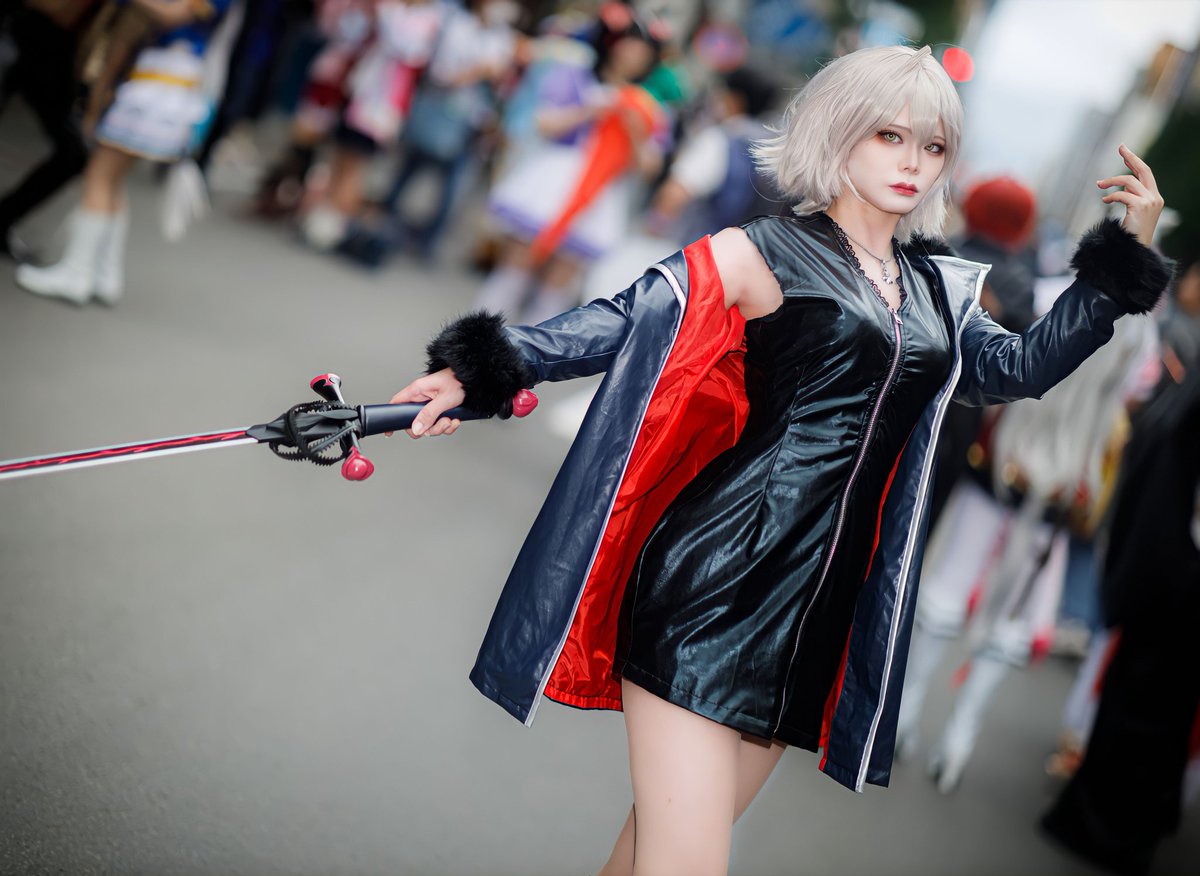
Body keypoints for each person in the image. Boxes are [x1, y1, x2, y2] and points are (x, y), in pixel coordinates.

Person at [390, 45, 1169, 875]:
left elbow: (1020, 368)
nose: (913, 162)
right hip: (710, 588)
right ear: (837, 131)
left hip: (813, 621)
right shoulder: (759, 251)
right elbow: (614, 324)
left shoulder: (938, 288)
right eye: (889, 136)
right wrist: (476, 370)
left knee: (650, 855)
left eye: (934, 145)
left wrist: (1120, 262)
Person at [15, 0, 234, 305]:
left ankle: (77, 272)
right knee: (112, 180)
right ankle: (104, 274)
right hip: (167, 80)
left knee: (100, 175)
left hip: (158, 81)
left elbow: (173, 15)